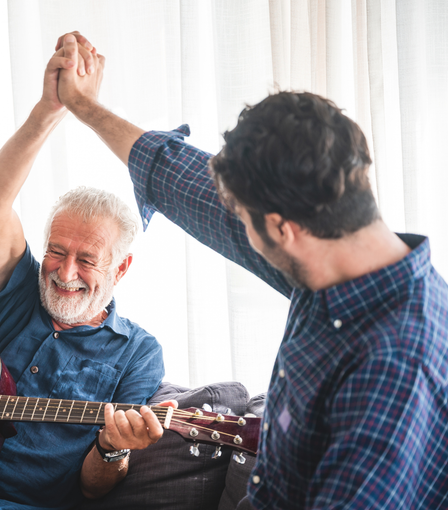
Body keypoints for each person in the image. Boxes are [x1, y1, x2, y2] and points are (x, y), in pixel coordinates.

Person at [53, 33, 448, 509]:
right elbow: (178, 176)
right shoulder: (332, 243)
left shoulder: (394, 369)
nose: (232, 223)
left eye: (241, 217)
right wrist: (81, 104)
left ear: (282, 229)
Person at [0, 40, 176, 510]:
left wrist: (112, 448)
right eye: (56, 251)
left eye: (87, 259)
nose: (65, 272)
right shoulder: (18, 292)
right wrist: (51, 108)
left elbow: (93, 487)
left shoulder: (138, 352)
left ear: (121, 268)